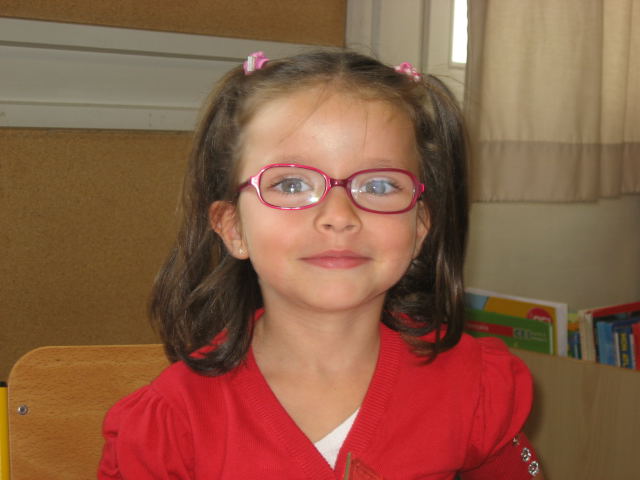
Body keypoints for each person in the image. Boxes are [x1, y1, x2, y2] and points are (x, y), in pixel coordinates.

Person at [98, 49, 543, 479]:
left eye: (380, 185)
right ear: (233, 228)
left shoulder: (473, 386)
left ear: (419, 227)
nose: (339, 216)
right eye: (291, 184)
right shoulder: (172, 424)